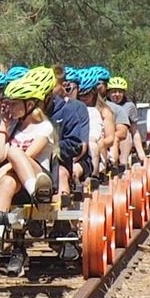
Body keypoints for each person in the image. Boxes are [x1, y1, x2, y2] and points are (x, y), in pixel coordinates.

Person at [0, 66, 58, 251]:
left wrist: (3, 168)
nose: (9, 108)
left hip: (39, 178)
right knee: (7, 182)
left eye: (14, 104)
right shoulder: (14, 126)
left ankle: (36, 194)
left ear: (29, 105)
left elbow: (27, 155)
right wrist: (3, 126)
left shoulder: (44, 127)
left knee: (14, 153)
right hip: (18, 183)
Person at [45, 66, 89, 202]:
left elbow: (77, 144)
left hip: (59, 162)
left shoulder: (70, 110)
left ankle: (62, 220)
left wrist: (53, 149)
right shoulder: (31, 111)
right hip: (34, 162)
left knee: (60, 174)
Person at [106, 76, 144, 164]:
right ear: (108, 93)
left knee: (127, 135)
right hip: (107, 136)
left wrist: (141, 152)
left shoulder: (129, 106)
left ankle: (123, 164)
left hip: (123, 138)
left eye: (120, 92)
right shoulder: (104, 105)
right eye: (114, 91)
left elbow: (134, 131)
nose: (117, 94)